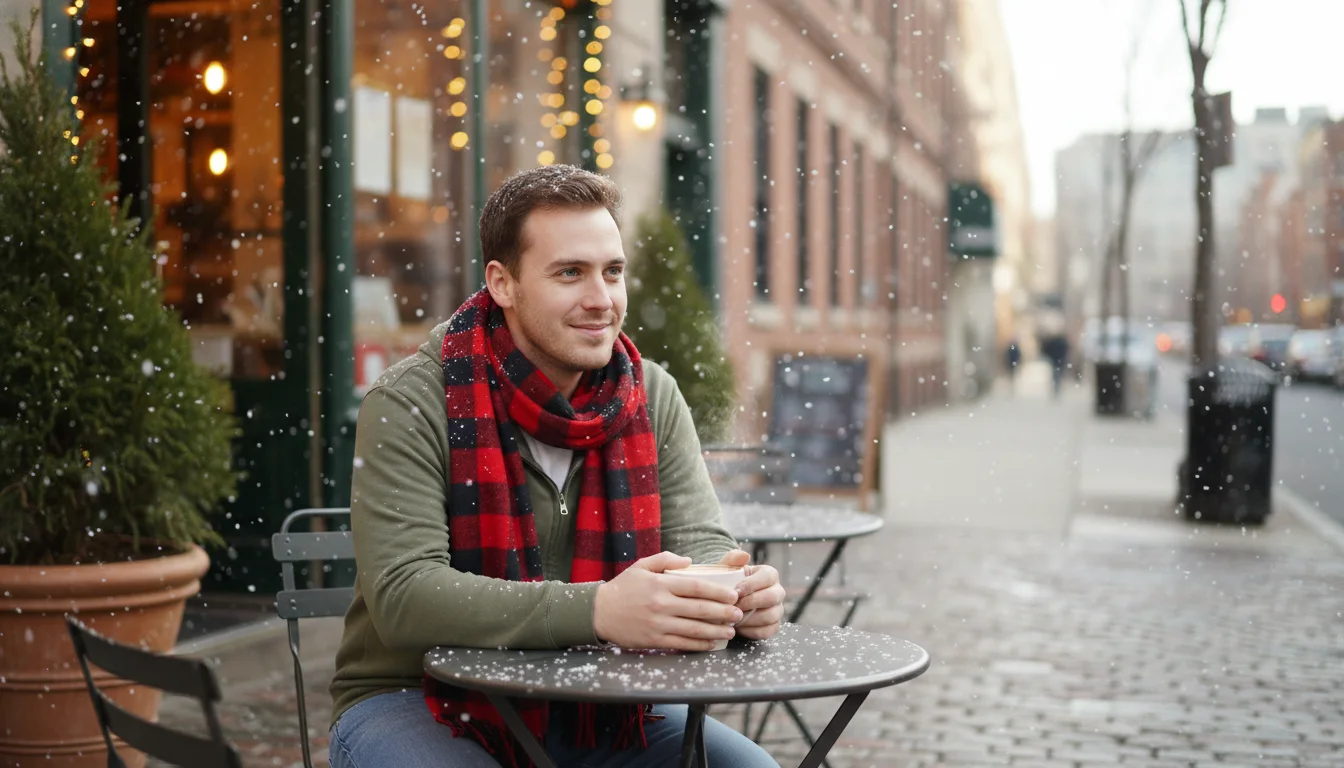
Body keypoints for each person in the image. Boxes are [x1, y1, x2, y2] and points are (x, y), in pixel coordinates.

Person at [327, 165, 785, 768]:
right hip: (415, 696)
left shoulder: (649, 395)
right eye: (570, 273)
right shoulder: (414, 400)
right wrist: (598, 610)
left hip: (603, 700)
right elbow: (405, 598)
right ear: (503, 282)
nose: (601, 299)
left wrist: (736, 595)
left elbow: (701, 547)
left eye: (612, 272)